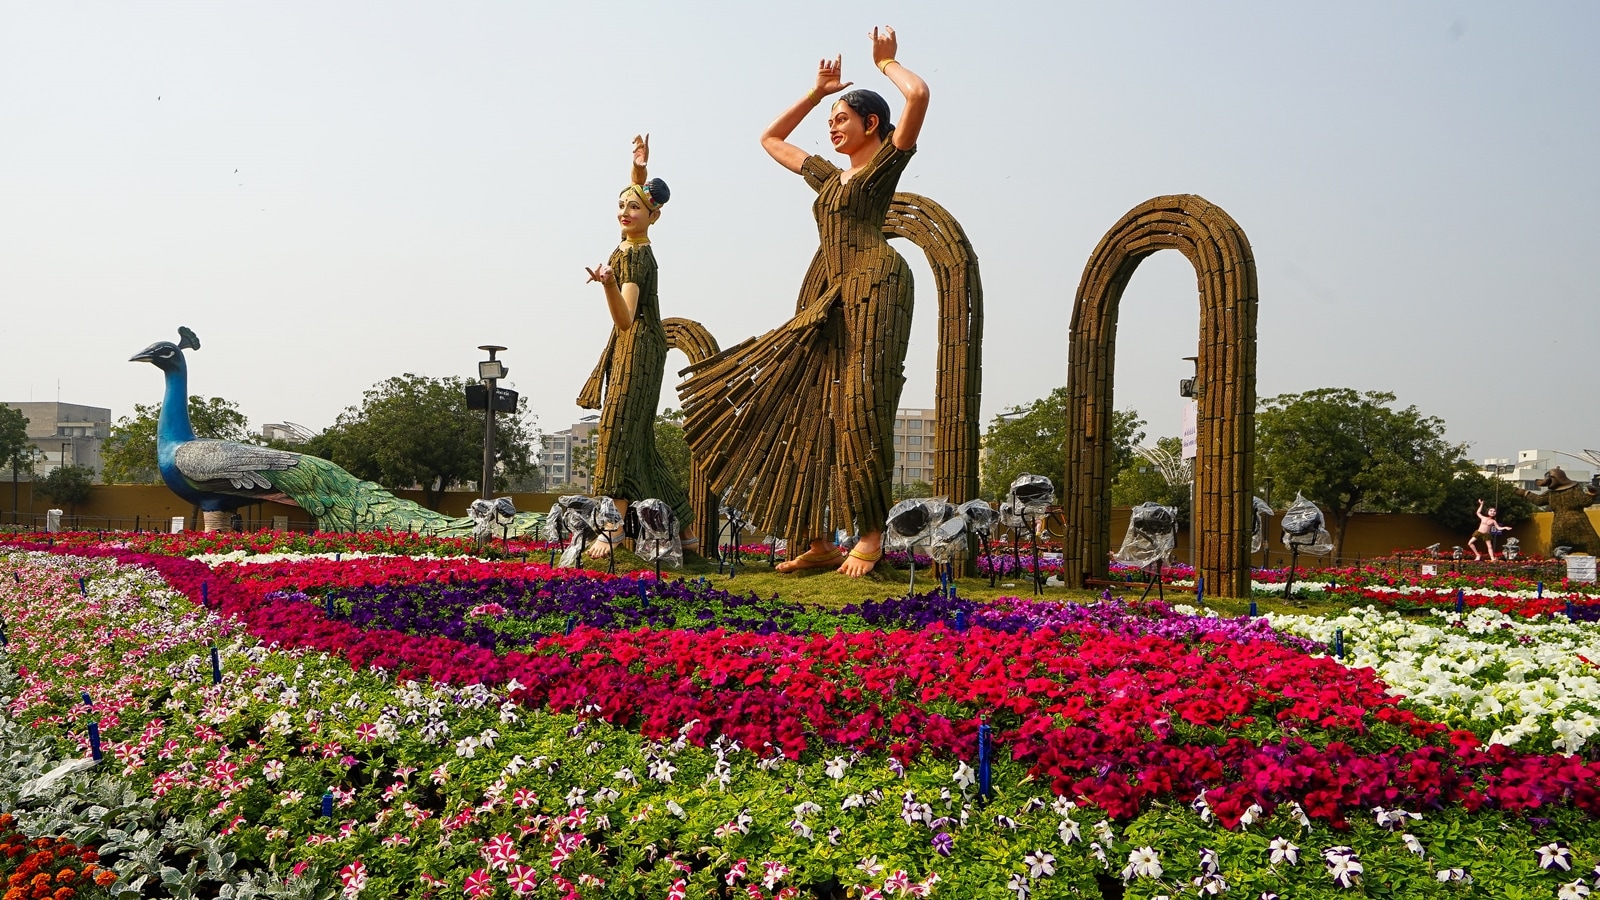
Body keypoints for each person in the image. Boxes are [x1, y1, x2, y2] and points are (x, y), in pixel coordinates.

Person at [679, 26, 929, 577]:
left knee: (861, 406)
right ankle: (815, 540)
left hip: (878, 286)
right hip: (833, 297)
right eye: (830, 120)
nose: (833, 127)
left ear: (872, 126)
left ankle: (868, 536)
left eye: (842, 118)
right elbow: (770, 140)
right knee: (809, 407)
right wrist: (816, 94)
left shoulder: (884, 164)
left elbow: (918, 97)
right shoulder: (829, 179)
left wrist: (887, 63)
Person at [577, 135, 693, 557]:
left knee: (618, 433)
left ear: (653, 216)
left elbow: (624, 319)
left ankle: (613, 529)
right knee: (638, 439)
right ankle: (684, 526)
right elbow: (639, 190)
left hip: (638, 346)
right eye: (621, 205)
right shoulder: (628, 245)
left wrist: (607, 285)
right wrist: (639, 167)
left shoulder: (636, 258)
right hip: (638, 346)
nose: (625, 212)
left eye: (634, 207)